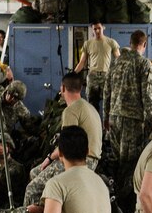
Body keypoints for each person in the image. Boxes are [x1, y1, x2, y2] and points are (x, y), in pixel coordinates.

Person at [24, 73, 103, 205]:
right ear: (81, 88)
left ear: (63, 88)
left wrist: (49, 158)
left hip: (79, 161)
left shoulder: (71, 110)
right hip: (90, 160)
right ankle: (45, 210)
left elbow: (67, 145)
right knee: (34, 173)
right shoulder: (90, 108)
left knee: (32, 189)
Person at [104, 30, 152, 195]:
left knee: (115, 159)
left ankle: (112, 193)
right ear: (144, 44)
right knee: (131, 162)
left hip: (114, 118)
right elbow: (148, 95)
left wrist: (105, 117)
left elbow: (107, 92)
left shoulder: (116, 63)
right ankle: (126, 199)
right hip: (132, 121)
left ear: (130, 42)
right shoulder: (144, 64)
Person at [73, 21, 120, 111]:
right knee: (92, 105)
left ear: (103, 28)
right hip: (93, 76)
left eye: (99, 28)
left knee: (109, 104)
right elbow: (82, 62)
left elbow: (119, 60)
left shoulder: (111, 42)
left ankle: (107, 120)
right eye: (95, 29)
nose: (97, 31)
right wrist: (73, 74)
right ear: (92, 30)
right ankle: (94, 120)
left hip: (106, 76)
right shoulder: (88, 44)